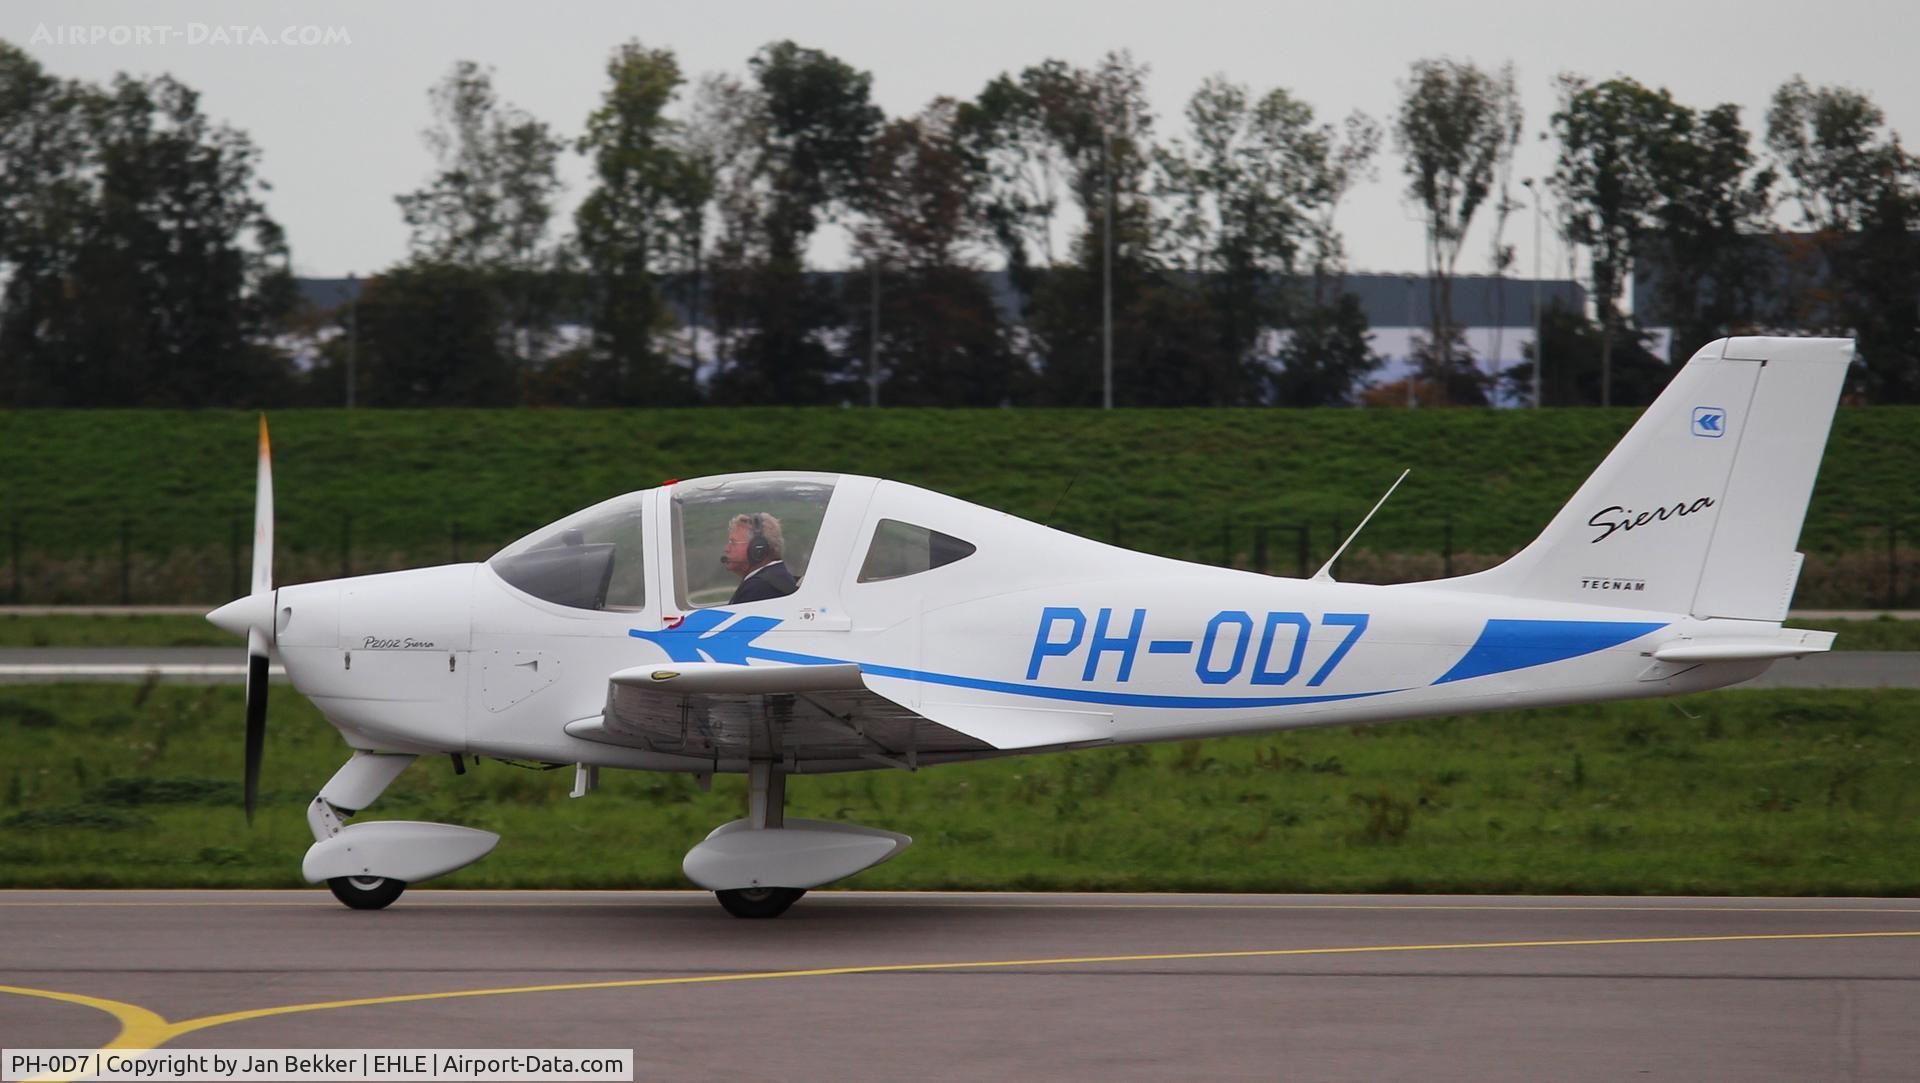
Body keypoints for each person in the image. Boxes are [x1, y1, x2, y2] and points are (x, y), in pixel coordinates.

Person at [721, 512, 798, 604]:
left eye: (733, 543)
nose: (726, 549)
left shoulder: (758, 588)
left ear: (758, 548)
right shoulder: (776, 576)